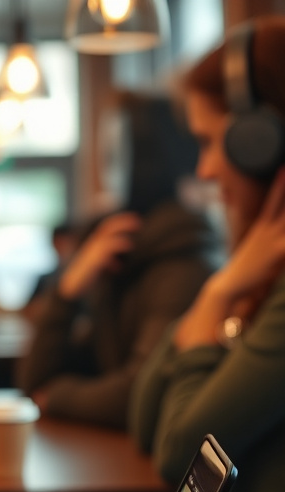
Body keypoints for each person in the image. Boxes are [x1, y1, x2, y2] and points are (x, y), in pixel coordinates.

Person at [130, 17, 285, 492]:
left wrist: (216, 298)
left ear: (262, 140)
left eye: (211, 140)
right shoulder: (257, 273)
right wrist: (218, 293)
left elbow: (180, 453)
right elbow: (144, 416)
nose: (204, 169)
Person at [16, 91, 219, 429]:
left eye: (115, 154)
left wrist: (58, 397)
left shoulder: (183, 260)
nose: (108, 167)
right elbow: (35, 381)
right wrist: (67, 292)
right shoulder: (122, 251)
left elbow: (139, 394)